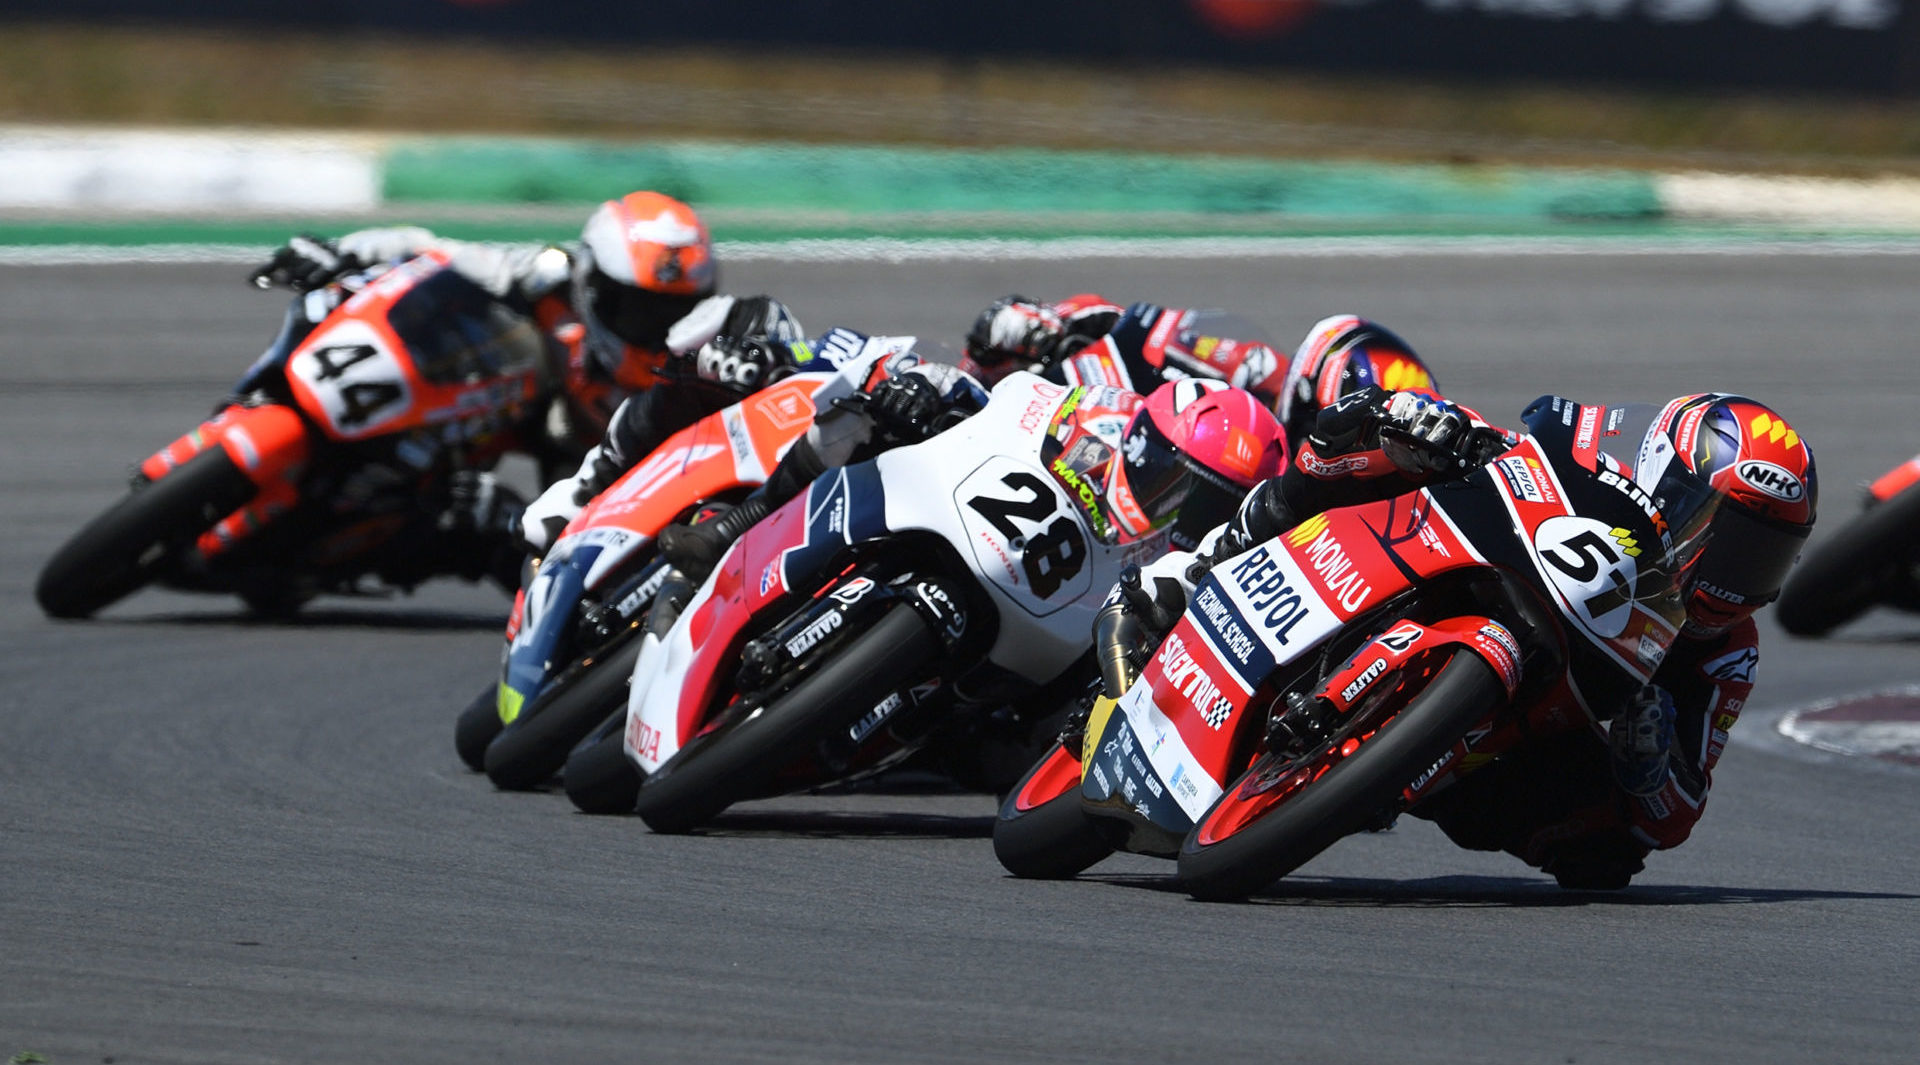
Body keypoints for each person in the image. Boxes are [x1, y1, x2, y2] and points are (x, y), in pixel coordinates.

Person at [1110, 386, 1817, 889]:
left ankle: (1376, 758)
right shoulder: (1600, 463)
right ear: (1671, 481)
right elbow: (1529, 441)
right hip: (1479, 560)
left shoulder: (1727, 650)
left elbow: (1676, 816)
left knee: (1610, 858)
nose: (1736, 575)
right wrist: (1432, 426)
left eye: (1764, 555)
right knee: (1381, 437)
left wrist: (1649, 762)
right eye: (1728, 538)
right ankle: (1208, 560)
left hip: (1509, 735)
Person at [252, 190, 805, 576]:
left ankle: (365, 538)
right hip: (468, 408)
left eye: (668, 312)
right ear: (591, 284)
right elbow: (432, 252)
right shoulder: (545, 278)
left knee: (497, 538)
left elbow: (626, 509)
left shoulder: (679, 374)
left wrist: (511, 516)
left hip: (564, 473)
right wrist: (339, 250)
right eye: (633, 307)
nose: (650, 327)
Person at [962, 294, 1290, 409]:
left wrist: (1059, 337)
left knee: (1255, 362)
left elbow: (1119, 316)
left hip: (1148, 376)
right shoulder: (993, 384)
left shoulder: (1078, 308)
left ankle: (1283, 390)